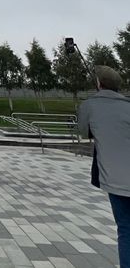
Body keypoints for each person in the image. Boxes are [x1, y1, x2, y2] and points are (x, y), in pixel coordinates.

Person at [78, 65, 130, 268]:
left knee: (126, 228)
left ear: (99, 84)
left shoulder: (89, 106)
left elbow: (84, 132)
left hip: (116, 179)